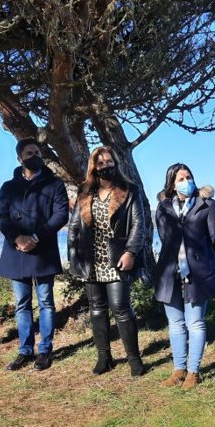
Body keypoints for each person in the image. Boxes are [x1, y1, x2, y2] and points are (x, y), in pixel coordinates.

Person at [68, 146, 146, 377]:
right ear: (94, 167)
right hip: (91, 260)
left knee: (121, 309)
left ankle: (134, 359)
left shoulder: (129, 190)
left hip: (117, 258)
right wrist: (73, 254)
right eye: (100, 163)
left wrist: (131, 252)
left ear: (115, 163)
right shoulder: (85, 192)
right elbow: (74, 226)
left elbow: (139, 225)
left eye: (109, 162)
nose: (105, 166)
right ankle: (104, 357)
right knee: (97, 310)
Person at [0, 138, 69, 372]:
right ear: (20, 158)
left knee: (46, 302)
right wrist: (17, 238)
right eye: (29, 153)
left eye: (37, 152)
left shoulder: (55, 184)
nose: (34, 156)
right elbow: (1, 218)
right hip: (16, 251)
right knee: (21, 304)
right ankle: (25, 350)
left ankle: (45, 350)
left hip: (43, 250)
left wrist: (36, 237)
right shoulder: (8, 187)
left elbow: (61, 215)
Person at [152, 163, 215, 390]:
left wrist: (198, 259)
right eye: (180, 179)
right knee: (175, 324)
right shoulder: (164, 207)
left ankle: (193, 372)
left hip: (198, 272)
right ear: (172, 184)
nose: (186, 182)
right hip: (169, 271)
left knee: (195, 323)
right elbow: (164, 236)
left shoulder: (207, 204)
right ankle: (179, 370)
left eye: (188, 177)